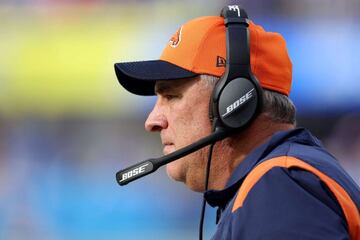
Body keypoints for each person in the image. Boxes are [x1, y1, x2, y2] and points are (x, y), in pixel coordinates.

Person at [114, 6, 360, 239]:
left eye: (171, 96)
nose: (152, 121)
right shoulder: (276, 183)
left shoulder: (278, 190)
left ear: (234, 100)